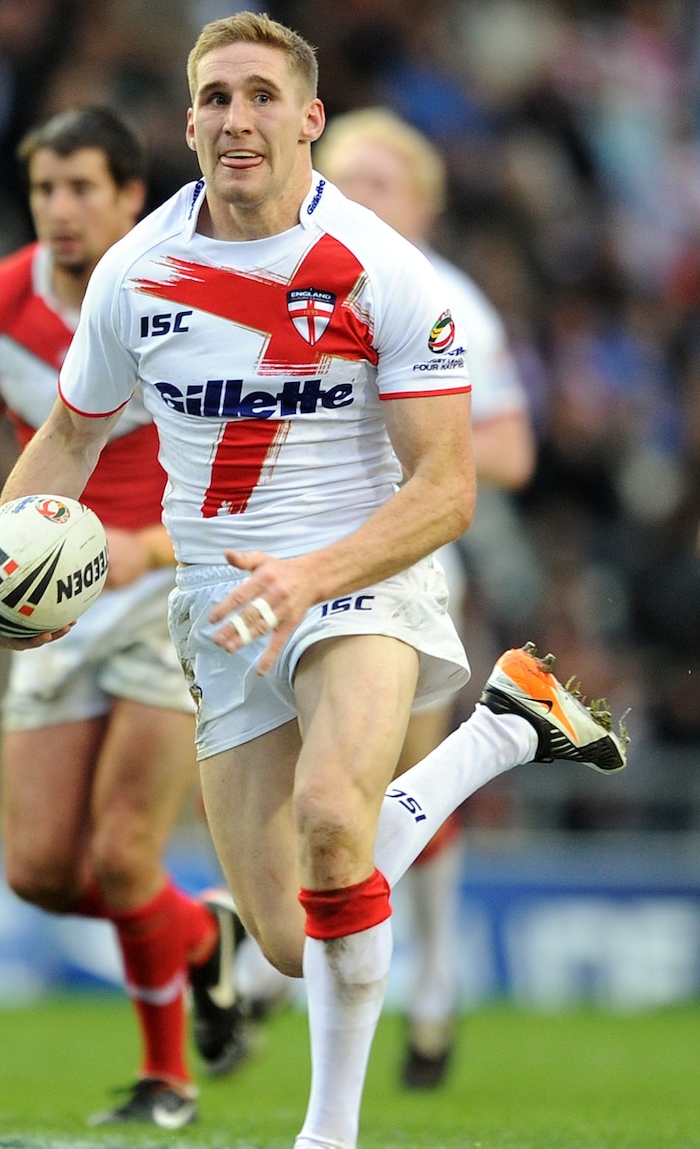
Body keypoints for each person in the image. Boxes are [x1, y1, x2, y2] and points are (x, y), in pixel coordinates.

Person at [0, 16, 628, 1149]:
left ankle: (330, 1132)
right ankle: (503, 731)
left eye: (262, 96)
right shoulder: (136, 272)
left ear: (307, 118)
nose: (237, 119)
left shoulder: (381, 271)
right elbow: (67, 442)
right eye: (214, 98)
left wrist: (314, 574)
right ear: (188, 122)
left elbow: (450, 489)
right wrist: (5, 565)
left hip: (361, 580)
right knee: (282, 936)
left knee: (331, 821)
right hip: (219, 611)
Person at [0, 104, 252, 1131]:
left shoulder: (187, 295)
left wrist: (150, 549)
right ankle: (205, 941)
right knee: (39, 872)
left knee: (118, 854)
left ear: (127, 197)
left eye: (81, 190)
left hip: (170, 593)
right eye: (42, 192)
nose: (60, 212)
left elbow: (247, 451)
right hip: (51, 605)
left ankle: (169, 1081)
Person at [314, 106, 537, 1089]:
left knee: (387, 771)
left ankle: (428, 981)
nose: (360, 197)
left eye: (381, 182)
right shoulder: (293, 285)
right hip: (288, 557)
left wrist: (417, 440)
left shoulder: (447, 299)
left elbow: (511, 448)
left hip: (402, 563)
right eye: (345, 178)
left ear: (424, 205)